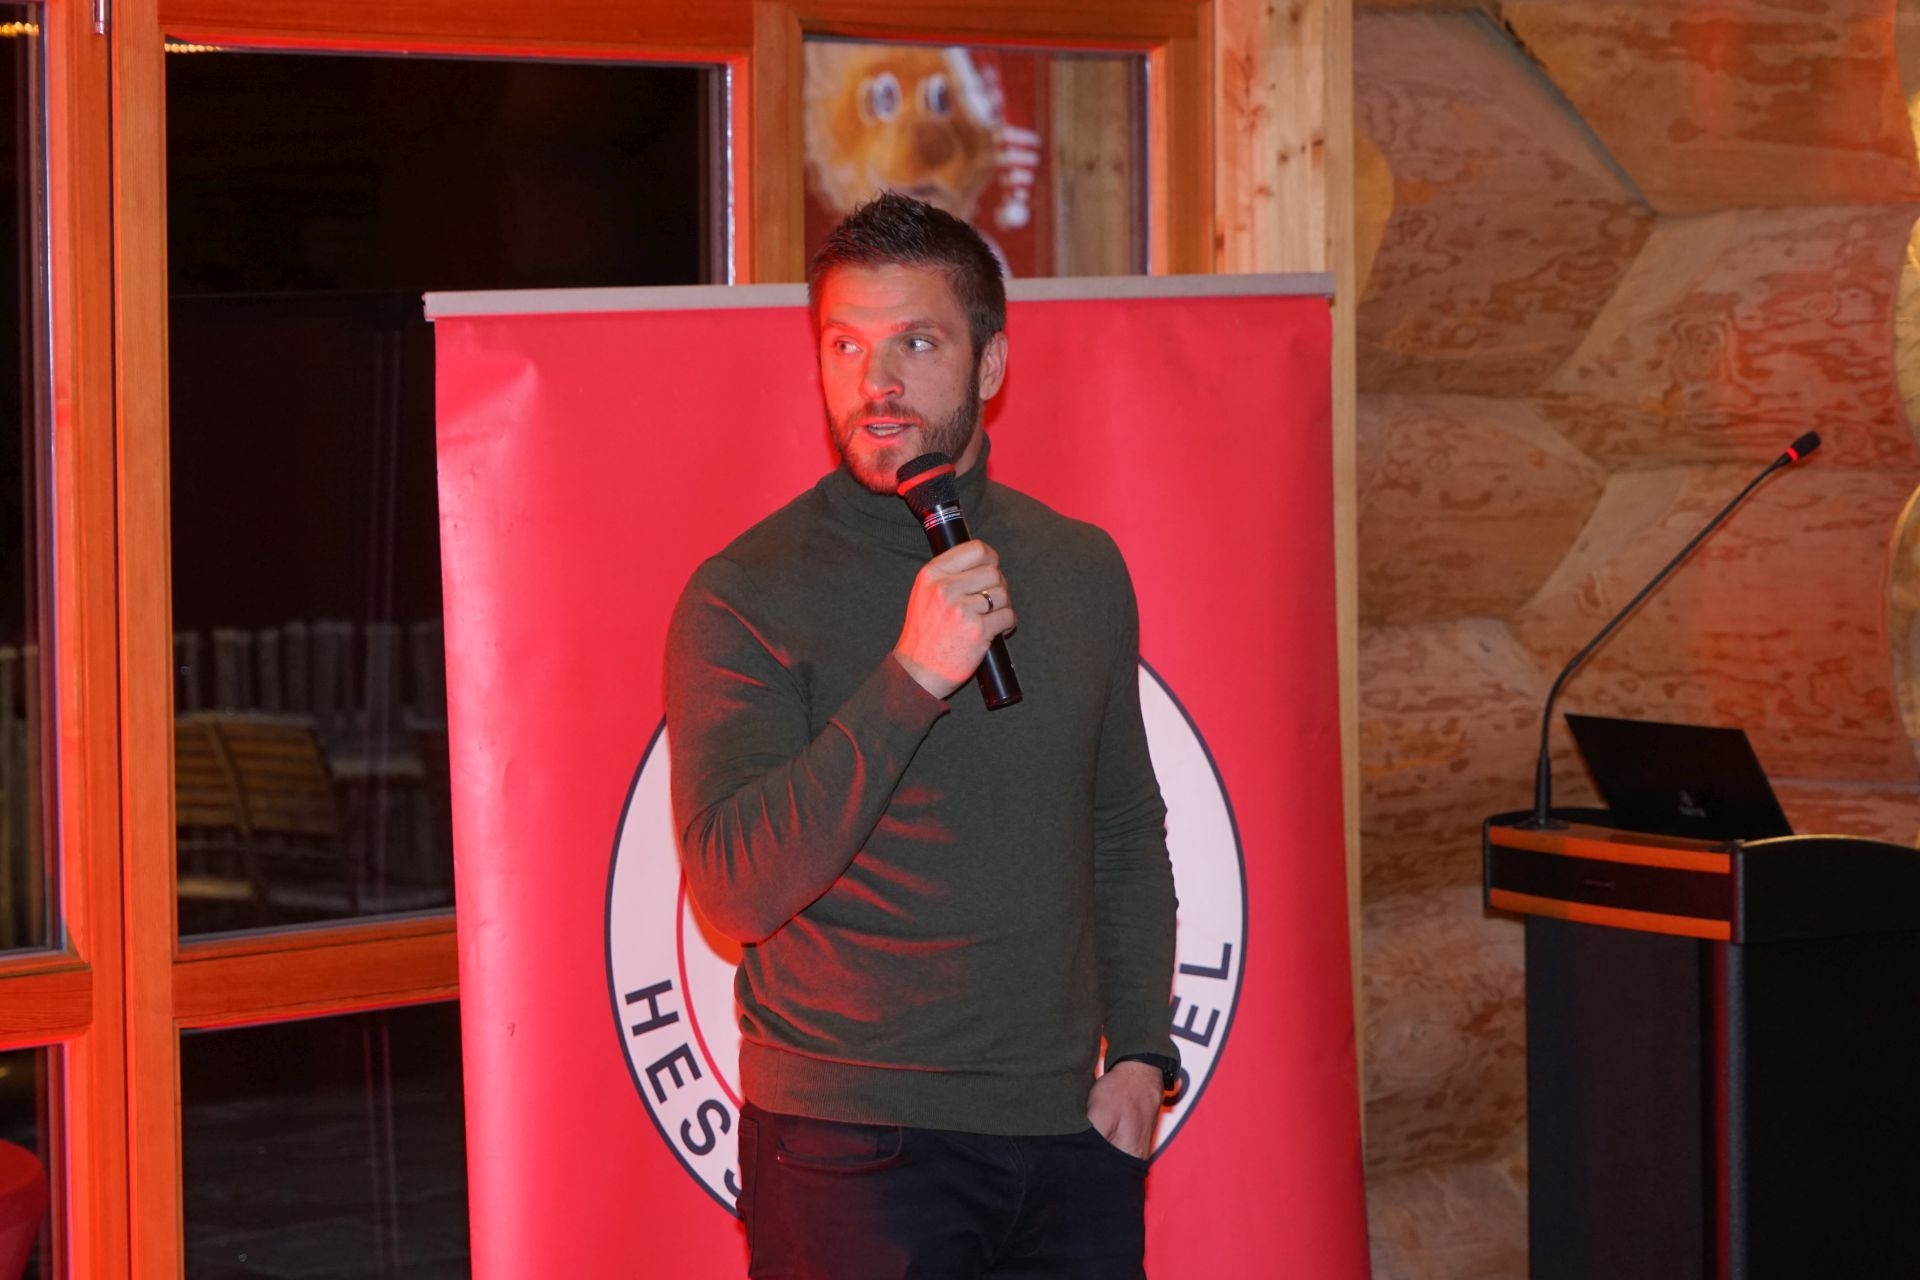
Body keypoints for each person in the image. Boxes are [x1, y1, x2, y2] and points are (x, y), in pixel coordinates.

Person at [664, 191, 1178, 1279]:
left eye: (916, 342)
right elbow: (732, 890)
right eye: (845, 344)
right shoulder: (745, 591)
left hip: (1068, 1133)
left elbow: (1125, 828)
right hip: (850, 1146)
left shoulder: (1080, 565)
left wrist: (1139, 1054)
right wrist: (911, 676)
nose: (876, 382)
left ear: (991, 364)